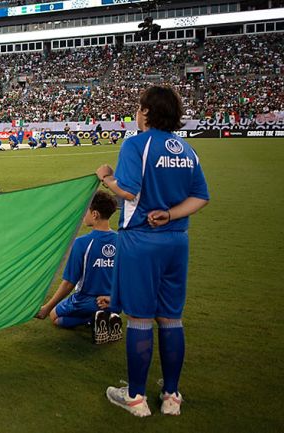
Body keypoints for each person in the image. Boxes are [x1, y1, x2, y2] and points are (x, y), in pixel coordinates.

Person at [96, 85, 210, 417]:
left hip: (140, 241)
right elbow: (200, 196)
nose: (136, 111)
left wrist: (106, 177)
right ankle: (172, 396)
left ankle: (135, 398)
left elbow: (128, 191)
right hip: (176, 241)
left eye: (138, 106)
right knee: (171, 317)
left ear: (146, 111)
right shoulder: (187, 150)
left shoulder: (135, 144)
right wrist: (171, 214)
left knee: (142, 318)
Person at [35, 191, 120, 344]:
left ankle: (92, 319)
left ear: (94, 214)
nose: (83, 214)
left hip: (86, 300)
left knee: (55, 316)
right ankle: (107, 315)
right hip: (113, 301)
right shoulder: (122, 241)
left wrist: (47, 308)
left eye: (86, 210)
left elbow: (68, 283)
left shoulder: (82, 243)